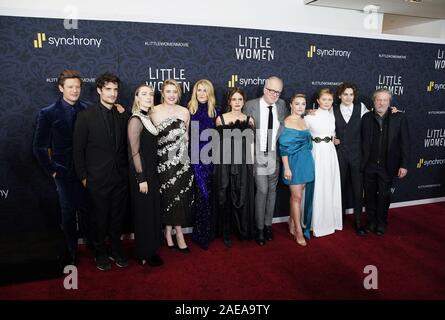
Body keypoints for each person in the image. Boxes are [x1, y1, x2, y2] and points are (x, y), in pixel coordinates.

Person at [33, 69, 92, 265]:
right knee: (68, 212)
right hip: (63, 171)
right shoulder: (48, 113)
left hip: (86, 170)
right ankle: (71, 251)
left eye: (77, 87)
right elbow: (39, 146)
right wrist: (53, 169)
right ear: (61, 88)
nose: (75, 91)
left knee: (87, 210)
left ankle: (92, 246)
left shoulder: (89, 109)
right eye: (70, 87)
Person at [73, 72, 130, 271]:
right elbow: (78, 149)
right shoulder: (85, 116)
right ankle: (100, 251)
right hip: (96, 178)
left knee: (117, 217)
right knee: (99, 218)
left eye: (115, 90)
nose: (113, 93)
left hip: (120, 178)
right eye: (108, 89)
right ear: (99, 90)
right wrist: (83, 177)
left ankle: (115, 248)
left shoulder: (124, 114)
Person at [150, 79, 194, 253]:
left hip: (182, 161)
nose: (171, 95)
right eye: (168, 91)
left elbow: (186, 138)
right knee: (169, 196)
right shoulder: (153, 111)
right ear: (162, 93)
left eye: (175, 92)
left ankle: (170, 231)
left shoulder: (184, 112)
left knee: (180, 197)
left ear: (179, 94)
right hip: (162, 163)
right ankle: (178, 233)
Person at [244, 76, 288, 246]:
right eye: (271, 90)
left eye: (278, 92)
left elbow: (286, 122)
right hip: (258, 155)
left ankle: (268, 225)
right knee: (262, 190)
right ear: (264, 89)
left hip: (273, 155)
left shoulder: (282, 105)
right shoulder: (251, 106)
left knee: (272, 191)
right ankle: (259, 228)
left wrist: (308, 112)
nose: (274, 94)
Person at [361, 88, 409, 235]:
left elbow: (405, 143)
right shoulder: (366, 118)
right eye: (378, 100)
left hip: (387, 166)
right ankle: (371, 222)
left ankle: (381, 223)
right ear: (374, 101)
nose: (381, 103)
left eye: (385, 100)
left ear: (389, 102)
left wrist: (404, 164)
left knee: (384, 196)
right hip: (369, 165)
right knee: (369, 196)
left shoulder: (399, 117)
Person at [214, 87, 255, 247]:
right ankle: (226, 232)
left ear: (244, 101)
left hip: (244, 163)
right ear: (229, 101)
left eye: (240, 99)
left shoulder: (249, 120)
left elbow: (251, 144)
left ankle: (242, 230)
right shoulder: (221, 119)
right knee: (225, 194)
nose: (237, 102)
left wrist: (252, 165)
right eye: (234, 99)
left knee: (241, 194)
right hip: (224, 162)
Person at [128, 83, 163, 267]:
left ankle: (151, 249)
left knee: (151, 213)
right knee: (143, 215)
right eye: (144, 94)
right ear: (137, 98)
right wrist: (141, 178)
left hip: (152, 173)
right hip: (142, 175)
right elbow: (135, 152)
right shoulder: (135, 120)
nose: (149, 97)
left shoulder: (147, 117)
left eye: (151, 94)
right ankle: (143, 253)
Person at [304, 88, 342, 237]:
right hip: (316, 153)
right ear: (318, 101)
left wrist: (335, 139)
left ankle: (329, 221)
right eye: (324, 99)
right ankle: (313, 223)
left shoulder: (333, 115)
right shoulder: (309, 116)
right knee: (317, 185)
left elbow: (333, 134)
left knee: (329, 185)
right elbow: (302, 133)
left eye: (329, 100)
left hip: (330, 153)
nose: (327, 102)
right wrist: (305, 112)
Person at [333, 82, 369, 236]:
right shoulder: (332, 110)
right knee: (338, 188)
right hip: (339, 154)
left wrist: (392, 111)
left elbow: (375, 117)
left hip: (357, 155)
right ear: (340, 95)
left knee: (357, 188)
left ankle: (359, 221)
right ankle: (337, 219)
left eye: (351, 94)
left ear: (354, 96)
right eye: (345, 94)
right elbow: (325, 126)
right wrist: (332, 138)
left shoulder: (361, 108)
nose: (348, 97)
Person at [188, 79, 220, 250]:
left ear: (210, 93)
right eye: (198, 90)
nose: (201, 93)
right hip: (196, 161)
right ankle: (200, 235)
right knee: (203, 196)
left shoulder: (216, 112)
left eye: (205, 90)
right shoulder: (189, 111)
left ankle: (208, 232)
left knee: (210, 198)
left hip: (212, 160)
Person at [278, 94, 315, 246]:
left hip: (306, 160)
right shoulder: (287, 122)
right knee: (297, 197)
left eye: (303, 104)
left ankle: (291, 222)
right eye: (297, 104)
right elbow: (283, 148)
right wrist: (286, 168)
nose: (300, 106)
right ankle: (299, 231)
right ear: (291, 105)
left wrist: (306, 112)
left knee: (297, 196)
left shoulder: (303, 120)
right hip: (292, 163)